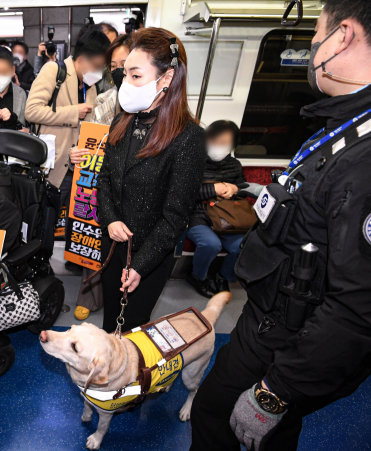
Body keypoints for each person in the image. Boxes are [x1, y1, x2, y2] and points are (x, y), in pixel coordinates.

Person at [190, 2, 371, 450]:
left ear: (343, 36)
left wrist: (277, 391)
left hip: (290, 338)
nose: (312, 54)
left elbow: (358, 305)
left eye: (315, 41)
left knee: (217, 413)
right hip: (272, 315)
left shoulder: (363, 160)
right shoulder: (339, 127)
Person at [97, 28, 206, 333]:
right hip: (113, 246)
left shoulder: (189, 138)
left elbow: (175, 217)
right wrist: (110, 221)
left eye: (135, 76)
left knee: (132, 328)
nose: (125, 84)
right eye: (123, 74)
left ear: (167, 79)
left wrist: (139, 266)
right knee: (110, 323)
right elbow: (104, 177)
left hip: (149, 256)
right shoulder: (122, 121)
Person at [69, 33, 132, 322]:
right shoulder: (105, 100)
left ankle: (123, 300)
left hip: (135, 191)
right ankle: (90, 295)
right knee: (94, 239)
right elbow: (87, 142)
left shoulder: (160, 106)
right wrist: (76, 154)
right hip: (102, 183)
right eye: (114, 66)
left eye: (127, 64)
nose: (120, 71)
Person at [26, 28, 109, 204]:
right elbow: (31, 110)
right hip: (53, 168)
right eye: (97, 66)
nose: (100, 73)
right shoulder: (54, 70)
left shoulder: (91, 85)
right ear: (82, 60)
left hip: (80, 170)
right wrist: (72, 112)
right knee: (47, 224)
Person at [185, 120, 247, 298]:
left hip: (227, 215)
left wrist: (235, 190)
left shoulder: (235, 165)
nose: (218, 147)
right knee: (211, 243)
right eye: (215, 142)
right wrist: (214, 189)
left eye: (224, 144)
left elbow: (243, 191)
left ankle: (223, 276)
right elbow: (185, 192)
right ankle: (197, 276)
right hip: (198, 215)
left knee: (241, 245)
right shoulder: (194, 162)